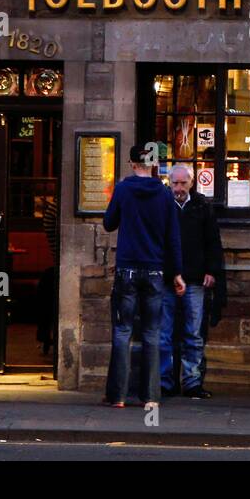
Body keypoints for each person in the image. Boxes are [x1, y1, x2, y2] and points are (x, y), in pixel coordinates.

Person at [101, 145, 185, 408]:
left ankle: (118, 396)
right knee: (151, 333)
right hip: (155, 270)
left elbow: (108, 223)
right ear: (153, 163)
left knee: (123, 331)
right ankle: (151, 396)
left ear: (131, 162)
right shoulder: (164, 193)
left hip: (127, 268)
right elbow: (173, 237)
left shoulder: (124, 189)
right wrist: (178, 273)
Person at [160, 164, 224, 398]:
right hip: (167, 278)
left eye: (182, 183)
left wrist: (212, 270)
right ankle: (164, 382)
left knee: (193, 334)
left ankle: (192, 382)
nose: (178, 188)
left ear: (191, 182)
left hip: (195, 277)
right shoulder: (163, 205)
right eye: (174, 183)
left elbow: (213, 241)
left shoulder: (202, 206)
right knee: (164, 333)